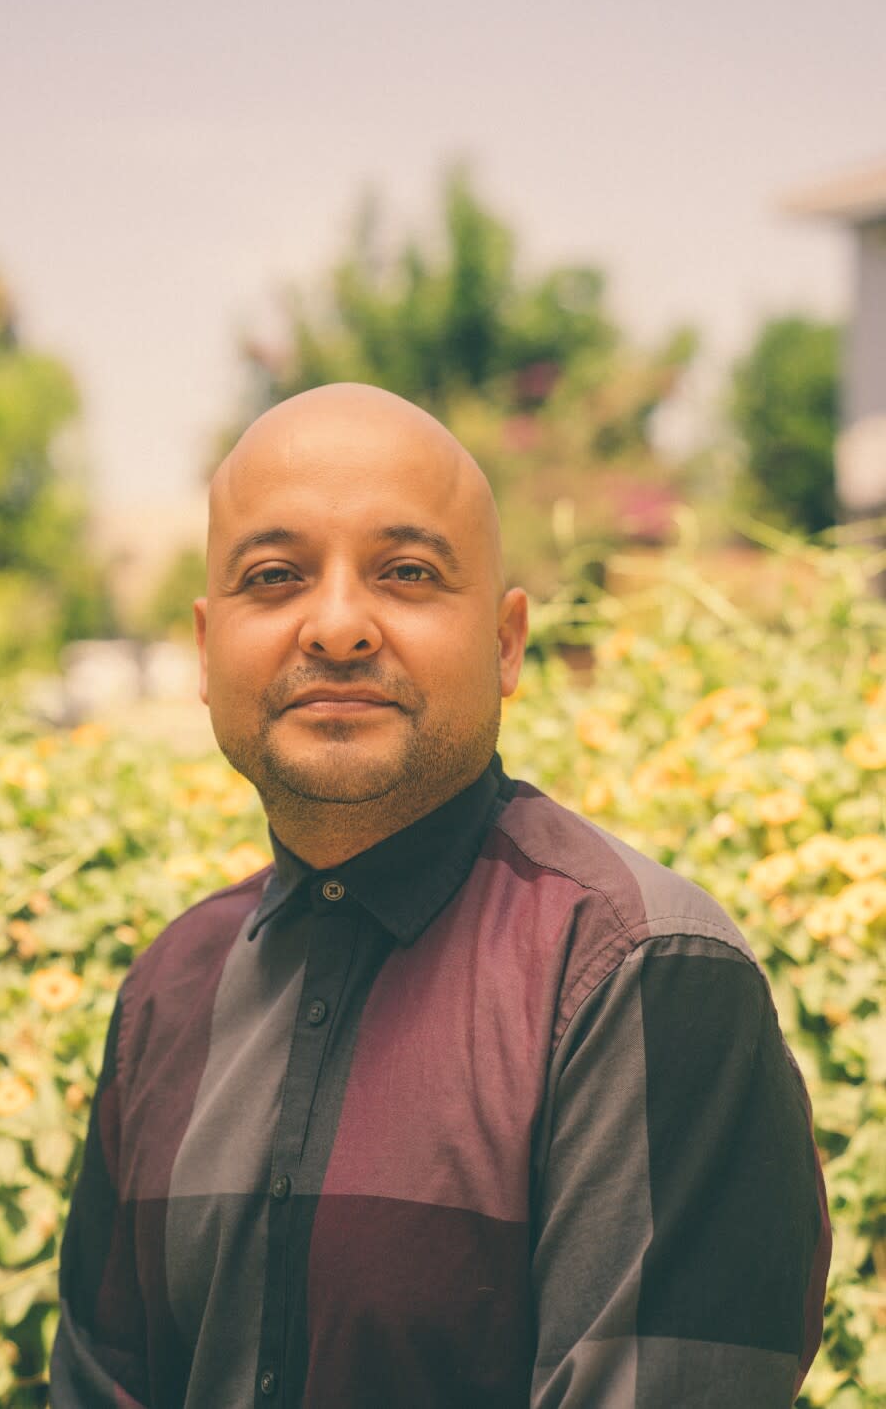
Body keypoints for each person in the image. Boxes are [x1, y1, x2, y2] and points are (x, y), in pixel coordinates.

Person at [50, 382, 831, 1408]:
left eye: (407, 572)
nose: (335, 627)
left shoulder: (638, 977)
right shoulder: (168, 993)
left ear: (506, 645)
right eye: (275, 576)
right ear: (204, 649)